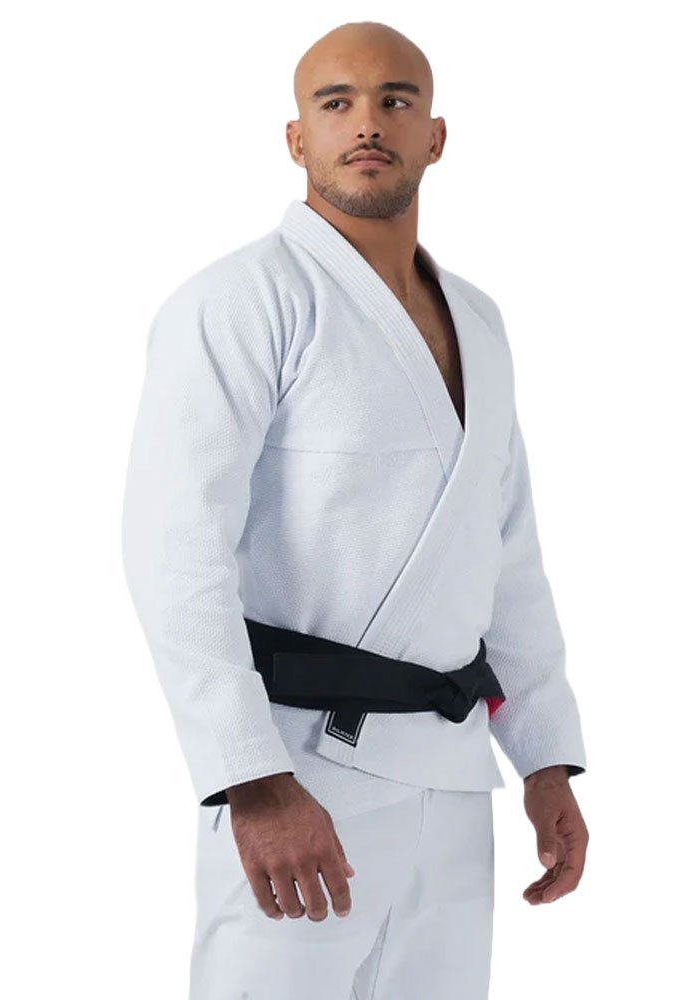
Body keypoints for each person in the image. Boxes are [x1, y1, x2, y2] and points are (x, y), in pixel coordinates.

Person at [121, 20, 589, 999]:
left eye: (394, 100)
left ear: (435, 136)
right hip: (298, 766)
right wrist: (251, 779)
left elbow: (506, 556)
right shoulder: (239, 301)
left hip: (452, 779)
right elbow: (176, 554)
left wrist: (544, 758)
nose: (366, 122)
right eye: (335, 102)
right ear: (297, 137)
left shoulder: (480, 321)